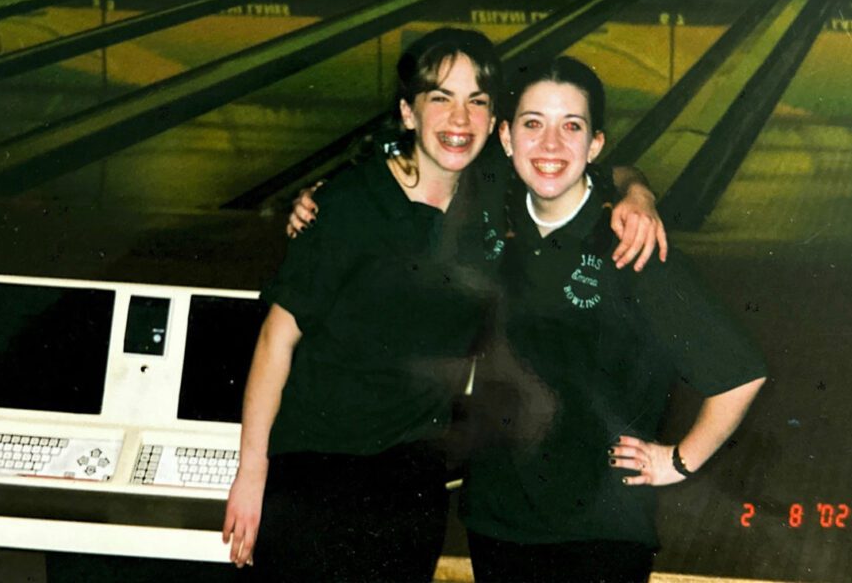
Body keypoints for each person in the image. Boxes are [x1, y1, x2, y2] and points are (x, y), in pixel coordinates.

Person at [222, 28, 664, 581]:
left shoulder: (491, 192)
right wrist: (250, 475)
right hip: (318, 470)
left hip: (411, 480)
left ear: (493, 122)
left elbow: (600, 169)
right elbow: (275, 340)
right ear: (408, 112)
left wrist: (638, 195)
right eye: (441, 98)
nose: (460, 119)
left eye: (476, 101)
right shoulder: (348, 203)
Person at [460, 56, 767, 583]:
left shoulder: (633, 246)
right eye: (533, 124)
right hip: (497, 522)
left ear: (595, 144)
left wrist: (678, 461)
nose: (551, 145)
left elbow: (740, 373)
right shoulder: (492, 220)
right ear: (506, 138)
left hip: (600, 535)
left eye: (571, 127)